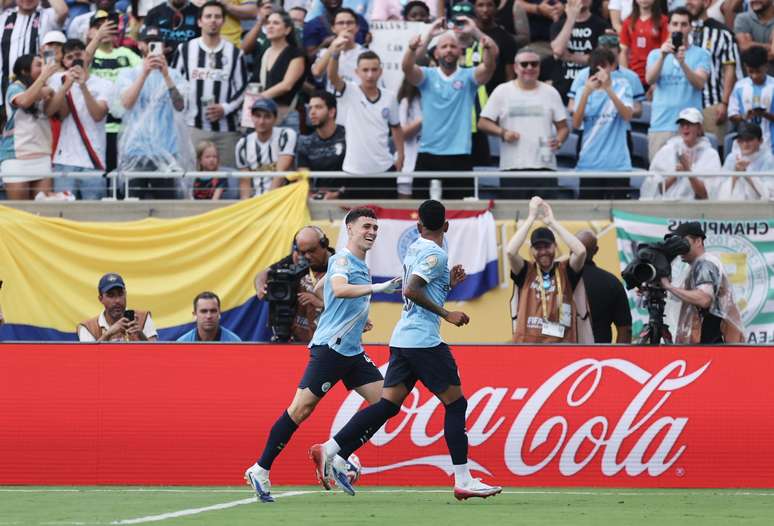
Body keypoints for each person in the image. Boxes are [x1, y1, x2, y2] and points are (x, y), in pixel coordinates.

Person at [309, 200, 502, 500]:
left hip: (402, 341)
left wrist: (447, 284)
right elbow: (410, 290)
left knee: (387, 406)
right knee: (456, 405)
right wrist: (447, 314)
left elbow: (419, 289)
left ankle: (331, 449)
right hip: (423, 342)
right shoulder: (436, 254)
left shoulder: (415, 249)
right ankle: (463, 478)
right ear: (447, 226)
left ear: (417, 227)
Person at [243, 208, 402, 503]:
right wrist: (381, 288)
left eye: (375, 228)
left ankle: (337, 454)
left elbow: (323, 286)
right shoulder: (342, 259)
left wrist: (354, 315)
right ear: (350, 229)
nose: (372, 232)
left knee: (387, 402)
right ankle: (260, 468)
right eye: (366, 226)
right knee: (300, 409)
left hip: (351, 350)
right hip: (330, 348)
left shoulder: (355, 263)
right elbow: (339, 288)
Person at [403, 20, 497, 198]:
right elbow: (407, 68)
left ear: (460, 51)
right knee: (421, 211)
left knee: (460, 213)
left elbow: (489, 66)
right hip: (428, 153)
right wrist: (428, 35)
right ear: (436, 52)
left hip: (459, 154)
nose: (448, 50)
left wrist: (477, 32)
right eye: (444, 46)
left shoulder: (468, 77)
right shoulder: (427, 76)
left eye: (453, 46)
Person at [478, 47, 569, 199]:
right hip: (512, 167)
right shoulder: (502, 91)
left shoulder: (550, 92)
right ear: (515, 67)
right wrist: (503, 133)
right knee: (515, 219)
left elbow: (563, 127)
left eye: (534, 64)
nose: (529, 68)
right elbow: (482, 122)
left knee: (544, 221)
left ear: (539, 67)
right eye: (524, 64)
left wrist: (558, 141)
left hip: (545, 167)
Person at [116, 25, 189, 199]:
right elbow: (126, 103)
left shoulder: (174, 74)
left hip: (166, 149)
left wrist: (166, 76)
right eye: (148, 42)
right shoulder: (128, 74)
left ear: (164, 47)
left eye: (156, 43)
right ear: (140, 45)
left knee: (166, 209)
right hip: (135, 149)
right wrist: (145, 73)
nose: (152, 47)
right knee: (134, 208)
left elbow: (180, 105)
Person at [173, 0, 248, 170]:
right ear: (200, 21)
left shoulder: (235, 53)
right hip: (194, 127)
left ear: (223, 21)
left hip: (226, 129)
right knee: (192, 179)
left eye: (217, 17)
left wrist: (225, 108)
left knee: (228, 182)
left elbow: (243, 88)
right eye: (208, 16)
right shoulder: (184, 49)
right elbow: (175, 83)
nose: (213, 20)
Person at [506, 196, 587, 343]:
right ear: (531, 250)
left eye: (547, 246)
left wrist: (553, 223)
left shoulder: (566, 270)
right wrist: (531, 217)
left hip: (561, 346)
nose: (543, 251)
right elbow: (510, 251)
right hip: (527, 346)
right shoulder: (526, 271)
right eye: (538, 247)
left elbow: (581, 251)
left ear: (555, 246)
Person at [328, 49, 403, 198]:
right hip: (354, 171)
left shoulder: (390, 97)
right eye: (365, 70)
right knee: (356, 219)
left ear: (380, 71)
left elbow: (396, 127)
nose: (370, 74)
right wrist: (335, 54)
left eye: (374, 70)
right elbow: (332, 76)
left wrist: (401, 154)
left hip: (384, 169)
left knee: (386, 219)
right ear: (357, 72)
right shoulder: (349, 90)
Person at [47, 39, 112, 200]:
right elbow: (53, 112)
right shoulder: (58, 80)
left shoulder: (105, 84)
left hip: (93, 159)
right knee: (63, 215)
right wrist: (65, 86)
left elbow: (98, 115)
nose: (75, 60)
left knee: (94, 216)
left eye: (78, 55)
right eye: (69, 57)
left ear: (87, 55)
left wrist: (83, 86)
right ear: (64, 61)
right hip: (64, 159)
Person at [660, 221, 744, 344]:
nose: (679, 247)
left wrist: (668, 287)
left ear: (698, 241)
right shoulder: (695, 266)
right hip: (709, 343)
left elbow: (704, 299)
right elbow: (681, 298)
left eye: (682, 241)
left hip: (713, 344)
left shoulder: (705, 264)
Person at [646, 7, 711, 161]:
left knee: (691, 178)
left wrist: (683, 63)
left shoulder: (701, 54)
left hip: (691, 126)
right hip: (662, 124)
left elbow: (700, 83)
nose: (679, 28)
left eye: (683, 24)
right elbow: (650, 80)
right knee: (659, 180)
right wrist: (662, 56)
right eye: (675, 24)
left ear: (690, 27)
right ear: (668, 26)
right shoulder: (655, 54)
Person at [254, 225, 335, 343]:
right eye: (302, 252)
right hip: (298, 339)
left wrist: (319, 303)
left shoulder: (340, 264)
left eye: (311, 251)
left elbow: (349, 307)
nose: (307, 256)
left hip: (331, 339)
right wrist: (260, 287)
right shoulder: (297, 259)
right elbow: (263, 274)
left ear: (324, 244)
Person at [571, 47, 634, 196]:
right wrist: (586, 92)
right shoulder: (582, 90)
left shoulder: (623, 86)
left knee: (618, 215)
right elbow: (576, 123)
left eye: (603, 66)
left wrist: (609, 89)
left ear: (612, 66)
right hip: (589, 164)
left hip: (617, 165)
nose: (599, 70)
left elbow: (627, 116)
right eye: (595, 66)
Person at [85, 12, 142, 173]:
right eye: (98, 27)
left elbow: (146, 74)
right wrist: (97, 39)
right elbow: (81, 64)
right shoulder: (89, 55)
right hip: (98, 130)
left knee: (125, 186)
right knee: (106, 184)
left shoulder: (127, 54)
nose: (104, 30)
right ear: (90, 32)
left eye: (108, 26)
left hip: (127, 129)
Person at [0, 55, 58, 200]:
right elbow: (24, 101)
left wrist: (63, 87)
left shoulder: (44, 87)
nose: (43, 67)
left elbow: (54, 112)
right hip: (16, 157)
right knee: (20, 212)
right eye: (38, 65)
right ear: (25, 71)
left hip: (42, 154)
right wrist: (44, 77)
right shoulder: (15, 87)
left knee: (42, 211)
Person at [685, 0, 739, 141]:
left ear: (707, 2)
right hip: (684, 102)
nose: (689, 2)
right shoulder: (680, 31)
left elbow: (730, 69)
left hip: (712, 103)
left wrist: (725, 102)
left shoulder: (723, 33)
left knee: (713, 150)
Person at [642, 107, 719, 200]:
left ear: (699, 128)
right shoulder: (667, 150)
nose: (685, 127)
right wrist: (674, 175)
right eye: (682, 124)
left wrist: (688, 171)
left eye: (689, 124)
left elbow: (705, 195)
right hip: (667, 208)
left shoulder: (710, 155)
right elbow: (655, 190)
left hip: (696, 211)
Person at [0, 0, 68, 104]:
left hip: (40, 84)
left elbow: (63, 11)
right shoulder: (4, 16)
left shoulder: (47, 15)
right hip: (4, 83)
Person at [250, 10, 306, 128]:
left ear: (287, 29)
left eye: (275, 23)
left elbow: (287, 85)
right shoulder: (264, 53)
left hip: (286, 116)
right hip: (263, 115)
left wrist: (258, 98)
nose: (270, 26)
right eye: (268, 23)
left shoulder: (296, 53)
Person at [576, 229, 632, 343]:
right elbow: (625, 329)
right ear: (596, 250)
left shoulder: (559, 278)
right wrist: (618, 357)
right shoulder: (612, 282)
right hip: (600, 354)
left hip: (562, 353)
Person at [549, 0, 609, 103]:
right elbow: (558, 51)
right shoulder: (558, 25)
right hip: (562, 88)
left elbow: (599, 60)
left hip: (590, 89)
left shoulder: (601, 25)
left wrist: (570, 57)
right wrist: (571, 19)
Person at [236, 98, 297, 198]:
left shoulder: (286, 135)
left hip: (284, 199)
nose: (261, 121)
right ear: (251, 117)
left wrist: (267, 201)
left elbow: (280, 174)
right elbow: (245, 182)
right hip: (257, 200)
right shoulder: (242, 144)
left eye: (267, 117)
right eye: (257, 116)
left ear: (275, 119)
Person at [77, 272, 158, 342]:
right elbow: (88, 358)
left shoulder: (143, 318)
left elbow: (156, 355)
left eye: (120, 294)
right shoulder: (88, 327)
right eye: (111, 295)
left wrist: (141, 335)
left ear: (125, 294)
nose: (117, 300)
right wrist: (108, 334)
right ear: (100, 299)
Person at [295, 90, 347, 198]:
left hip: (347, 198)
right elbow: (303, 179)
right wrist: (309, 196)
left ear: (332, 112)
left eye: (318, 107)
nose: (312, 112)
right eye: (310, 108)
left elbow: (357, 175)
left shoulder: (348, 137)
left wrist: (338, 194)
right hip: (317, 199)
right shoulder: (305, 142)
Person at [310, 7, 364, 99]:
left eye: (349, 23)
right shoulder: (325, 53)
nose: (345, 26)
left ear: (357, 27)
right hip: (333, 104)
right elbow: (317, 72)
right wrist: (333, 46)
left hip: (357, 103)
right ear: (333, 28)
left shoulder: (365, 53)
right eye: (340, 23)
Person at [728, 47, 774, 153]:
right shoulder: (740, 87)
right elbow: (732, 115)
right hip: (746, 145)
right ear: (745, 67)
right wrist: (744, 116)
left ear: (766, 66)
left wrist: (765, 114)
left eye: (758, 72)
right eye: (750, 72)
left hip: (771, 146)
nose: (754, 75)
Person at [716, 121, 774, 199]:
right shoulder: (731, 158)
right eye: (741, 140)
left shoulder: (768, 159)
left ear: (761, 141)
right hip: (733, 207)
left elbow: (769, 195)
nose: (745, 144)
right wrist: (735, 175)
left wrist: (747, 174)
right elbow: (720, 195)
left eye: (749, 140)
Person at [619, 0, 667, 86]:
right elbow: (623, 51)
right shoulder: (628, 22)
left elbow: (665, 50)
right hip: (634, 74)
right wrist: (626, 77)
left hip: (654, 73)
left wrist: (654, 83)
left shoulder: (662, 21)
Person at [303, 0, 369, 60]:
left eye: (349, 23)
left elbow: (367, 44)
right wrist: (324, 44)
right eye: (340, 23)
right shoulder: (312, 25)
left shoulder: (360, 20)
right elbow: (309, 56)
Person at [176, 291, 242, 342]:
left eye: (213, 311)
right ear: (195, 314)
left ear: (219, 313)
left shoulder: (235, 342)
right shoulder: (182, 344)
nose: (209, 316)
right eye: (204, 311)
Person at [734, 0, 774, 75]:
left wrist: (752, 45)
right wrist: (770, 46)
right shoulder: (742, 18)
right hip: (749, 83)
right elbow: (744, 47)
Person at [397, 78, 421, 198]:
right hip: (408, 167)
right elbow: (401, 134)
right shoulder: (406, 102)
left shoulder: (436, 101)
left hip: (429, 167)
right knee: (405, 213)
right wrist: (424, 118)